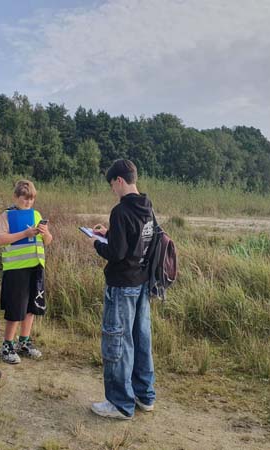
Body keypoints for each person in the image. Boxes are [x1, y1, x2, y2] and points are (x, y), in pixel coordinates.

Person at [89, 159, 156, 420]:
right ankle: (144, 395)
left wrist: (97, 242)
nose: (112, 191)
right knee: (141, 340)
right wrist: (110, 232)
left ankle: (119, 403)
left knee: (118, 341)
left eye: (111, 185)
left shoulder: (121, 210)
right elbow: (137, 240)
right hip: (141, 283)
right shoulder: (147, 206)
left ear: (119, 181)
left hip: (121, 285)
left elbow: (116, 253)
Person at [0, 180, 53, 364]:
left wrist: (44, 233)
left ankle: (24, 342)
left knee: (31, 308)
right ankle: (7, 346)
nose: (28, 203)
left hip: (35, 267)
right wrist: (24, 235)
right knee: (15, 309)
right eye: (25, 199)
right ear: (16, 197)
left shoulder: (36, 214)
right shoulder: (6, 215)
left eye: (31, 199)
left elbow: (48, 241)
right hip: (16, 269)